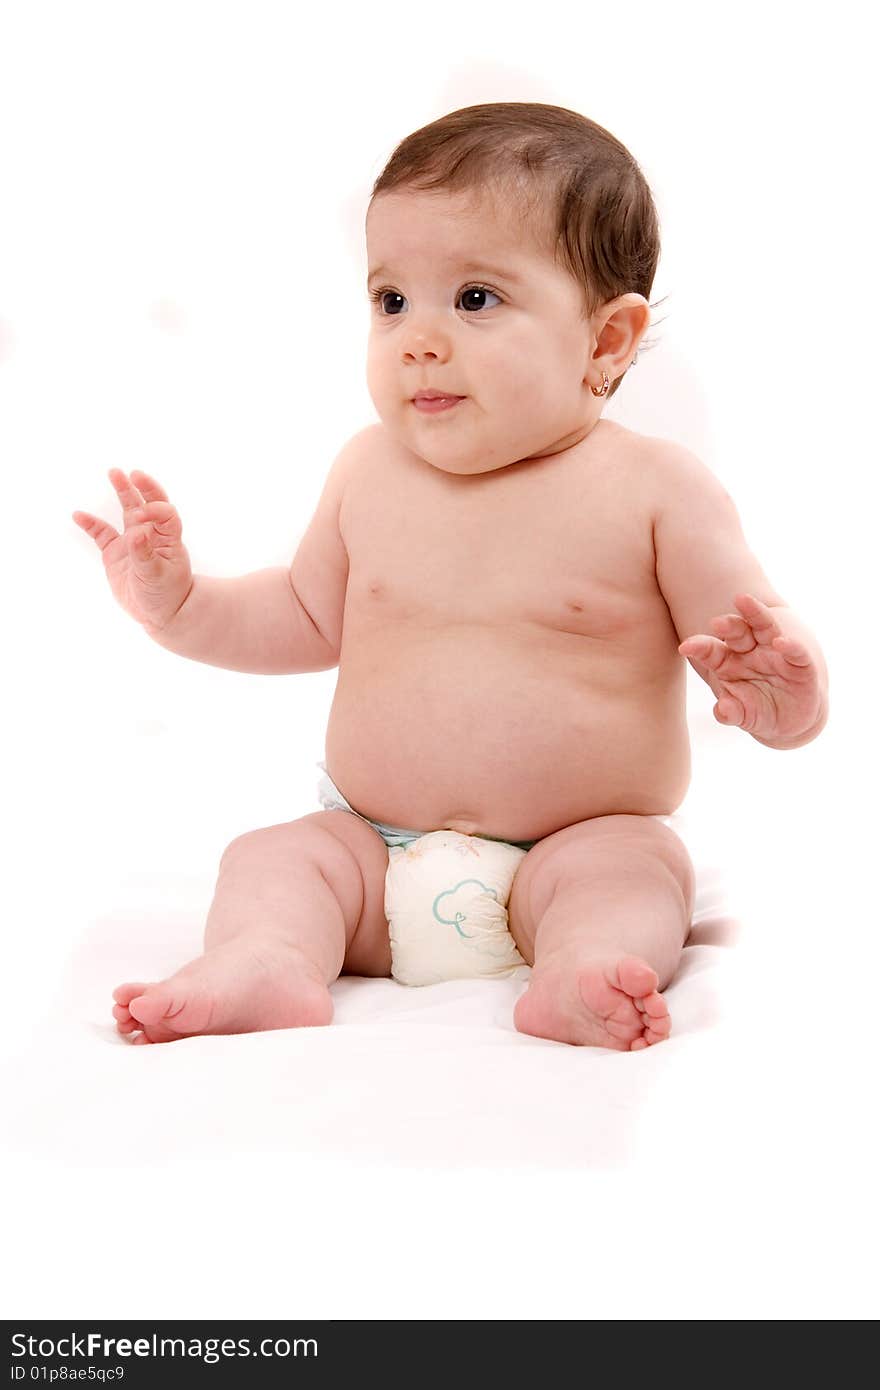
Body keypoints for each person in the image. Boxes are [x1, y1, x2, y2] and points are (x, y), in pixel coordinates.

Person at [72, 102, 828, 1050]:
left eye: (475, 299)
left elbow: (749, 645)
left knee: (635, 879)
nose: (418, 339)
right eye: (392, 301)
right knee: (271, 859)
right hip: (371, 858)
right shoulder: (367, 472)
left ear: (605, 342)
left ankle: (578, 972)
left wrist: (785, 697)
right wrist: (179, 605)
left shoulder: (657, 490)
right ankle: (270, 960)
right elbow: (304, 618)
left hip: (572, 848)